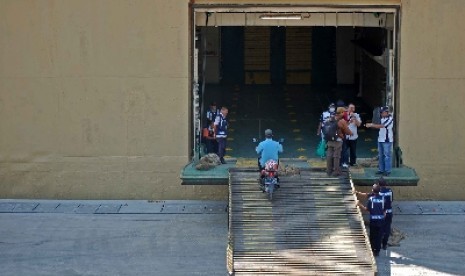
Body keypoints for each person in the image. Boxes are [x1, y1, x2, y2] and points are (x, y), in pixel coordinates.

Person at [354, 177, 393, 250]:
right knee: (386, 229)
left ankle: (373, 247)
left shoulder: (376, 194)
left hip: (377, 217)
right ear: (386, 184)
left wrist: (357, 193)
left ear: (378, 185)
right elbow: (391, 201)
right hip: (388, 213)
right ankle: (384, 245)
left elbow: (366, 196)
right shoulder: (390, 191)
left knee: (374, 233)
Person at [356, 183, 386, 257]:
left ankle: (372, 249)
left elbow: (367, 209)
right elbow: (385, 210)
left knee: (372, 235)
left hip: (373, 221)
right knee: (379, 236)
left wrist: (360, 204)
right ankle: (377, 251)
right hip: (381, 221)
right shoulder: (383, 199)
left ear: (372, 190)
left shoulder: (371, 199)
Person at [366, 106, 394, 176]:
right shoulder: (381, 118)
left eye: (382, 112)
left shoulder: (390, 119)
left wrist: (371, 125)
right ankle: (381, 170)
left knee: (387, 156)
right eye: (381, 112)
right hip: (380, 139)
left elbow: (382, 126)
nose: (381, 114)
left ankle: (387, 171)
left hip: (387, 140)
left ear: (387, 112)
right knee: (380, 155)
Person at [326, 107, 352, 176]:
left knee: (329, 155)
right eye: (344, 112)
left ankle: (329, 170)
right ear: (341, 112)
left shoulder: (331, 118)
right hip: (338, 140)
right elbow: (347, 131)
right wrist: (350, 133)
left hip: (329, 140)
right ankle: (336, 171)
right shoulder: (341, 121)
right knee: (336, 156)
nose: (345, 113)